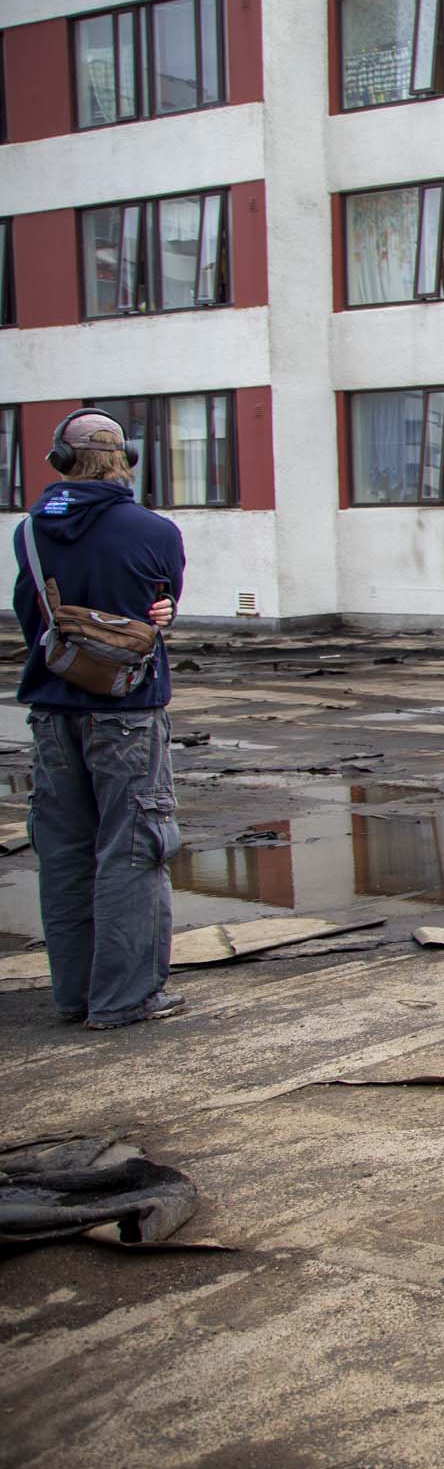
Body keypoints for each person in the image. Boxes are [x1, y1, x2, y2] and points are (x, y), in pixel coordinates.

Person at [12, 410, 185, 1030]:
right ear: (125, 460)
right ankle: (126, 999)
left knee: (64, 854)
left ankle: (74, 996)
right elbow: (158, 612)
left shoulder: (30, 533)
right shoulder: (154, 530)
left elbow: (32, 621)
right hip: (126, 715)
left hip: (53, 713)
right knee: (133, 850)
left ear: (59, 460)